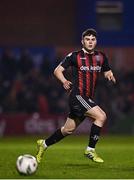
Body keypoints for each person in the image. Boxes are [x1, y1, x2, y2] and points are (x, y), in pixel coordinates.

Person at [36, 28, 116, 163]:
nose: (90, 42)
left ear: (96, 41)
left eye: (93, 39)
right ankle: (90, 150)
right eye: (87, 39)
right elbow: (57, 70)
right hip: (78, 96)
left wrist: (109, 74)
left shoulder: (101, 56)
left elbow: (107, 70)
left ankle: (43, 144)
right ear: (82, 41)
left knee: (67, 130)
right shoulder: (74, 56)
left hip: (87, 98)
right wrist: (64, 81)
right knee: (101, 116)